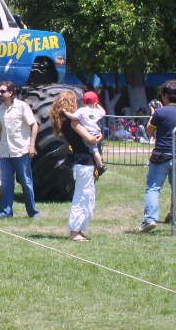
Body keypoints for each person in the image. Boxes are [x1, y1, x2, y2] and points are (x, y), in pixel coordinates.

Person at [138, 80, 176, 233]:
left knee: (153, 188)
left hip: (161, 155)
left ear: (165, 96)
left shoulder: (160, 112)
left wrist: (152, 115)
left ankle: (150, 219)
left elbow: (148, 132)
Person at [50, 91, 102, 241]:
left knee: (86, 195)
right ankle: (75, 231)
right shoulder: (74, 122)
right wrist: (98, 137)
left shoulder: (65, 123)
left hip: (81, 162)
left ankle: (79, 229)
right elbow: (91, 139)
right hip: (84, 162)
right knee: (82, 196)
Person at [0, 81, 40, 218]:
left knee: (26, 183)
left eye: (2, 91)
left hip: (21, 151)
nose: (0, 94)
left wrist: (32, 145)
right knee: (6, 184)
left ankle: (32, 212)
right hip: (4, 153)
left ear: (11, 93)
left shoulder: (22, 107)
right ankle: (6, 212)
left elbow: (34, 125)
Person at [62, 91, 106, 177]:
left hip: (89, 133)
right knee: (96, 150)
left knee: (93, 150)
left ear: (83, 102)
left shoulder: (82, 110)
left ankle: (100, 166)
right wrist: (97, 105)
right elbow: (103, 112)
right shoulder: (97, 111)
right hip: (97, 132)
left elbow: (73, 117)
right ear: (95, 102)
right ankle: (99, 163)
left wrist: (65, 112)